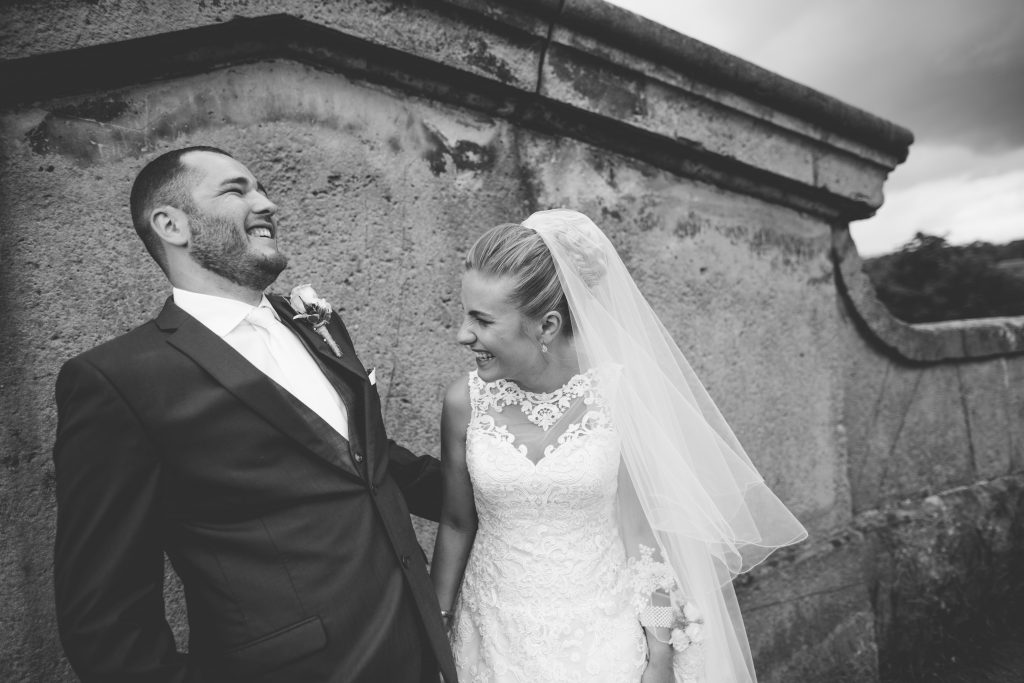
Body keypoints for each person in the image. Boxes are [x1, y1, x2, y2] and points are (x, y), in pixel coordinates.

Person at [52, 146, 457, 683]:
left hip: (421, 651)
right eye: (236, 190)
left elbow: (364, 460)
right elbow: (105, 614)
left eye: (261, 188)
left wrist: (517, 485)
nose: (266, 203)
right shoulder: (118, 380)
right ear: (172, 225)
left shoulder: (318, 325)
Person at [431, 210, 807, 682]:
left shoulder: (618, 396)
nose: (463, 334)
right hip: (491, 636)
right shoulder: (463, 402)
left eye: (482, 321)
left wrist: (661, 656)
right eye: (466, 314)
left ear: (546, 326)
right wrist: (436, 631)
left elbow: (644, 539)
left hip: (603, 639)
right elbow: (456, 522)